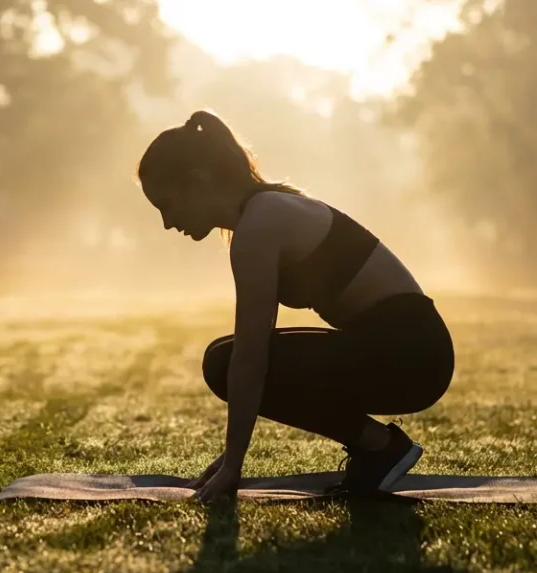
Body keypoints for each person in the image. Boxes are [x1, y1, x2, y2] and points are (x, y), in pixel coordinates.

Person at [137, 110, 455, 504]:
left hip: (412, 354)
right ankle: (378, 447)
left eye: (167, 205)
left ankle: (381, 447)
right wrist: (230, 458)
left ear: (199, 181)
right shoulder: (264, 212)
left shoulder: (261, 224)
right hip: (405, 349)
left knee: (226, 361)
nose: (168, 223)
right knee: (224, 358)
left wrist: (234, 465)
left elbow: (253, 354)